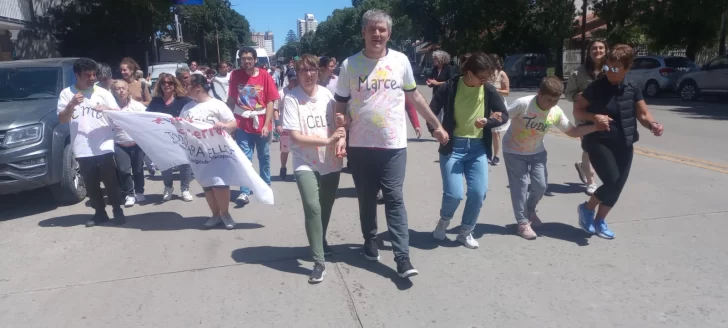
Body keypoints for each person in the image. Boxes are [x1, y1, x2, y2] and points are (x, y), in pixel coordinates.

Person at [334, 9, 449, 278]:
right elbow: (340, 103)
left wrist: (436, 125)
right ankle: (370, 239)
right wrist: (340, 131)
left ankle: (402, 257)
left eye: (382, 29)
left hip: (393, 145)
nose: (377, 34)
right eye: (372, 29)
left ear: (389, 33)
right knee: (366, 199)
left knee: (395, 198)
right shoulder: (349, 65)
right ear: (363, 32)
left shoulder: (401, 61)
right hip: (360, 146)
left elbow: (416, 98)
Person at [574, 44, 664, 239]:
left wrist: (653, 124)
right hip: (599, 140)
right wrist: (594, 117)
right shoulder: (596, 87)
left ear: (627, 68)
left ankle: (599, 221)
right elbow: (578, 110)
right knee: (612, 181)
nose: (609, 72)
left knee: (617, 186)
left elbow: (642, 113)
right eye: (607, 67)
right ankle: (587, 209)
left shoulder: (633, 87)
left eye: (615, 69)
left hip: (624, 142)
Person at [503, 77, 604, 240]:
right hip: (513, 151)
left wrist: (595, 127)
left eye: (555, 101)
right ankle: (522, 223)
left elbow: (572, 131)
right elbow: (501, 116)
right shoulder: (524, 103)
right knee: (520, 187)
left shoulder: (555, 111)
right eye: (548, 100)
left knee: (541, 185)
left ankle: (530, 210)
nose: (551, 104)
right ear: (539, 94)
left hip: (537, 152)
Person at [428, 52, 508, 249]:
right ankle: (444, 221)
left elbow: (503, 114)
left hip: (478, 148)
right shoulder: (449, 87)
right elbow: (432, 112)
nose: (484, 81)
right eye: (481, 77)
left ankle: (465, 232)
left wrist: (489, 121)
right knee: (454, 194)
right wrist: (436, 130)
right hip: (453, 148)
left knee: (478, 192)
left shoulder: (488, 90)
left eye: (486, 78)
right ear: (469, 73)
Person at [282, 54, 345, 283]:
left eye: (311, 70)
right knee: (312, 207)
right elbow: (296, 137)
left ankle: (321, 240)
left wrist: (340, 135)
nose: (308, 75)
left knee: (325, 207)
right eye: (302, 71)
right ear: (296, 74)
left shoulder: (328, 95)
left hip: (331, 161)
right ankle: (319, 261)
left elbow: (339, 123)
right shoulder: (291, 98)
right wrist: (327, 141)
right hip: (304, 161)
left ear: (318, 72)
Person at [57, 58, 125, 227]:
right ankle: (100, 213)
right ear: (76, 75)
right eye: (87, 75)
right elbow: (63, 119)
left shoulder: (103, 93)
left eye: (94, 74)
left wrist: (107, 109)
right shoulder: (67, 93)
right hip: (82, 146)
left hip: (104, 144)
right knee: (91, 182)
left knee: (110, 180)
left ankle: (117, 210)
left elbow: (119, 114)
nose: (92, 78)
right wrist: (71, 104)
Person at [181, 74, 239, 230]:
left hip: (218, 152)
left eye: (187, 85)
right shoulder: (186, 108)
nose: (185, 88)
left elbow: (233, 123)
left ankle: (226, 214)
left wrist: (224, 125)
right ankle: (215, 215)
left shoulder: (217, 105)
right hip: (198, 154)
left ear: (198, 87)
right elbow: (181, 128)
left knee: (220, 184)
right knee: (207, 185)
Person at [227, 46, 279, 207]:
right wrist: (228, 121)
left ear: (255, 60)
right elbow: (231, 99)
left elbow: (271, 101)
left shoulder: (265, 76)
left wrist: (267, 123)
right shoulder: (235, 75)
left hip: (261, 121)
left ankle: (265, 185)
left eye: (249, 58)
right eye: (243, 59)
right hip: (242, 121)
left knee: (264, 156)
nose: (246, 61)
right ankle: (245, 190)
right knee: (244, 157)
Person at [565, 39, 609, 196]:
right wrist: (580, 95)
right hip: (584, 115)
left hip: (606, 114)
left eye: (601, 48)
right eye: (594, 48)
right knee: (589, 147)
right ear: (589, 52)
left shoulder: (610, 69)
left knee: (603, 148)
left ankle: (584, 166)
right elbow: (568, 94)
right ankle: (591, 181)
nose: (597, 51)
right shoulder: (578, 72)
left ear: (606, 50)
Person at [147, 73, 195, 202]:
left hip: (181, 137)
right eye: (164, 83)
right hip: (163, 139)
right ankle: (168, 187)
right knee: (165, 164)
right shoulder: (155, 101)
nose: (167, 85)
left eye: (170, 83)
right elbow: (147, 117)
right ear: (160, 85)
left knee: (184, 164)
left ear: (175, 84)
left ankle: (185, 189)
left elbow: (193, 114)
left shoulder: (184, 100)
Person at [109, 80, 148, 207]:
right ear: (113, 91)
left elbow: (148, 120)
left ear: (128, 90)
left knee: (137, 170)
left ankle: (140, 192)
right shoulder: (110, 108)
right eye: (117, 89)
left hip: (137, 144)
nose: (120, 91)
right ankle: (129, 194)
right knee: (124, 170)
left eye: (123, 88)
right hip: (119, 144)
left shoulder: (137, 106)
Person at [275, 68, 299, 180]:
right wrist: (277, 124)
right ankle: (283, 167)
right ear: (288, 79)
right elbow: (276, 109)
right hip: (285, 126)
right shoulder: (281, 93)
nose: (295, 82)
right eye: (293, 80)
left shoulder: (301, 91)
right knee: (285, 150)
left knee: (298, 150)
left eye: (296, 79)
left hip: (299, 127)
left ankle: (298, 171)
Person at [488, 54, 510, 166]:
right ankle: (486, 153)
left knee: (495, 132)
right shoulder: (485, 73)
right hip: (485, 103)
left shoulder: (501, 74)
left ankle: (496, 156)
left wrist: (495, 90)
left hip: (497, 104)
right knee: (484, 129)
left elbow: (507, 91)